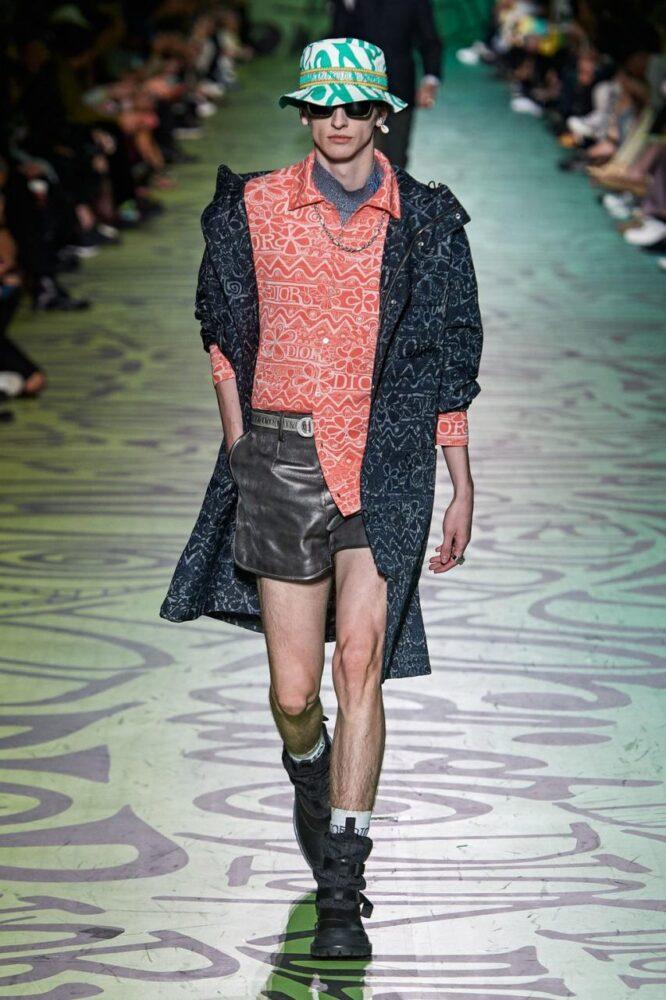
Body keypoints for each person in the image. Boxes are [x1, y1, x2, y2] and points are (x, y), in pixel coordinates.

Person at [160, 36, 483, 959]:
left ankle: (344, 885)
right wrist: (239, 439)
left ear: (381, 113)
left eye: (353, 105)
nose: (337, 120)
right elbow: (220, 325)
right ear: (304, 113)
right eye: (321, 105)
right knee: (295, 691)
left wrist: (460, 478)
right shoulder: (254, 206)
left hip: (387, 462)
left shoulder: (425, 219)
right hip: (284, 457)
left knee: (360, 668)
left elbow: (448, 350)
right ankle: (312, 771)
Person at [329, 0, 444, 167]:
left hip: (399, 88)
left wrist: (430, 81)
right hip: (358, 88)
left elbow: (429, 39)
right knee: (360, 157)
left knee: (395, 157)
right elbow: (337, 36)